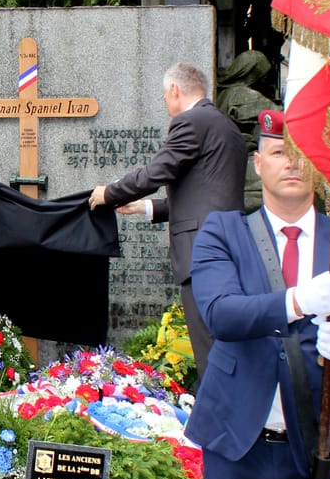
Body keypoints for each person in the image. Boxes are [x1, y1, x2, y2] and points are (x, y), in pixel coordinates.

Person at [185, 109, 330, 479]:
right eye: (280, 152)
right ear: (258, 163)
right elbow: (222, 313)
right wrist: (299, 300)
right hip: (237, 448)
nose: (293, 164)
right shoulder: (224, 233)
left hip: (323, 455)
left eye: (303, 154)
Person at [88, 62, 246, 381]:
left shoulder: (191, 120)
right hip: (226, 247)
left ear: (175, 89)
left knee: (209, 347)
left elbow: (156, 173)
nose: (166, 104)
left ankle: (220, 424)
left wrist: (110, 193)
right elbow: (204, 194)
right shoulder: (226, 126)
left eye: (164, 96)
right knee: (221, 344)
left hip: (202, 251)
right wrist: (148, 209)